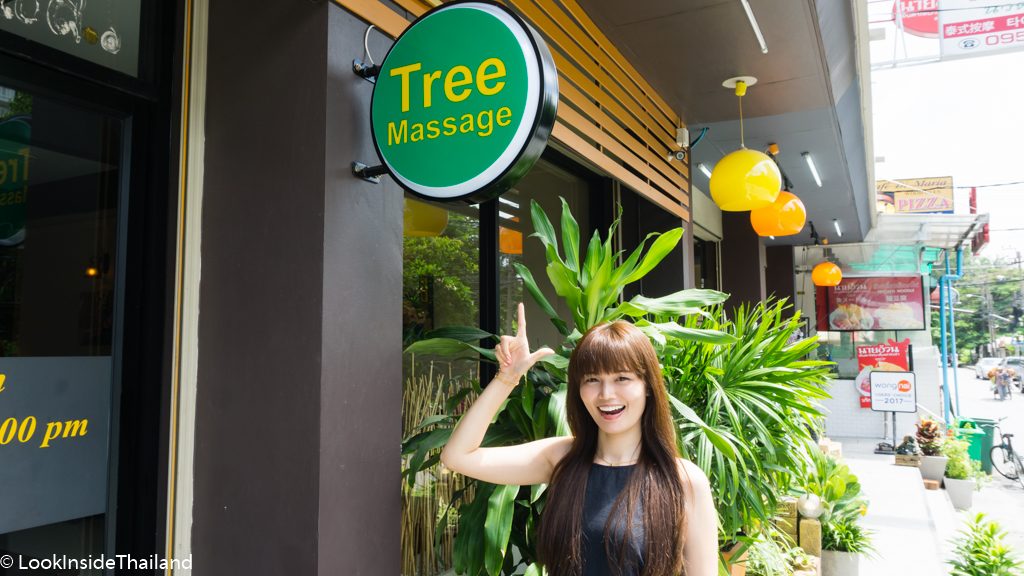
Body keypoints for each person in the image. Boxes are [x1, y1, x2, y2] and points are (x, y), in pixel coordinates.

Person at [440, 303, 718, 576]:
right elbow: (457, 456)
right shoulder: (561, 458)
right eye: (592, 379)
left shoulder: (684, 481)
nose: (606, 394)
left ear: (647, 387)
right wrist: (506, 378)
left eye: (622, 378)